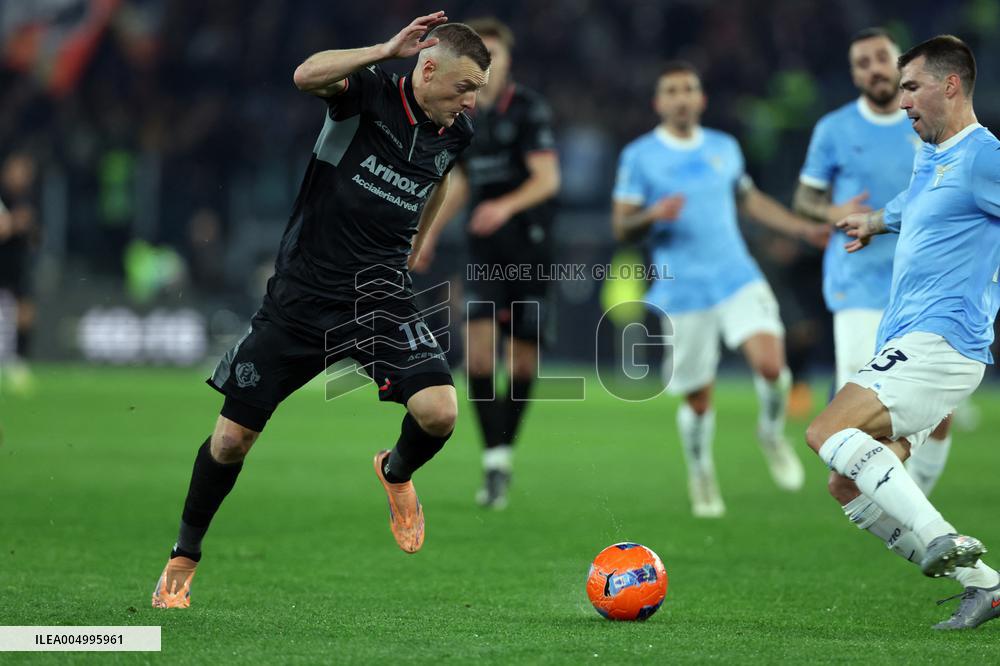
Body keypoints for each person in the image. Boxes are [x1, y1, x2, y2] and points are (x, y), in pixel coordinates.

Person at [152, 12, 491, 609]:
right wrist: (384, 49)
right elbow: (305, 74)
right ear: (428, 67)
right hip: (301, 296)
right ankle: (184, 554)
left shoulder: (455, 133)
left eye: (478, 92)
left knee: (440, 413)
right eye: (465, 87)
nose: (470, 102)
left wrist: (421, 239)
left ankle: (395, 471)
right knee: (230, 443)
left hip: (378, 293)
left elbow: (438, 180)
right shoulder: (367, 93)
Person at [807, 35, 1000, 630]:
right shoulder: (932, 154)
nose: (902, 99)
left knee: (824, 429)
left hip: (942, 340)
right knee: (847, 485)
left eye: (912, 86)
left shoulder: (983, 155)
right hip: (910, 337)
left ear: (951, 84)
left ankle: (942, 535)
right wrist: (874, 221)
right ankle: (986, 587)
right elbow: (915, 203)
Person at [612, 62, 829, 518]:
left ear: (701, 99)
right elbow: (621, 225)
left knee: (772, 364)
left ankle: (771, 433)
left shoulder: (724, 147)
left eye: (689, 89)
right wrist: (651, 216)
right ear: (659, 102)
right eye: (671, 90)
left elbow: (749, 199)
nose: (681, 97)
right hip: (683, 291)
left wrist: (800, 229)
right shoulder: (639, 156)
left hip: (737, 276)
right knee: (699, 397)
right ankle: (701, 472)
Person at [796, 28, 954, 499]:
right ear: (854, 74)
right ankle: (886, 503)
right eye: (862, 63)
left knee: (937, 411)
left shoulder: (930, 123)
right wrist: (832, 212)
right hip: (857, 282)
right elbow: (805, 196)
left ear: (899, 62)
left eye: (881, 58)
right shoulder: (834, 129)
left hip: (923, 286)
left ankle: (913, 498)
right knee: (863, 410)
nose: (874, 69)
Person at [413, 17, 560, 509]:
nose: (488, 68)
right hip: (484, 254)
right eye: (482, 59)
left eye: (496, 58)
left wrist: (506, 206)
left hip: (529, 252)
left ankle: (503, 453)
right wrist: (428, 233)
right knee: (477, 357)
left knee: (521, 362)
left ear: (508, 62)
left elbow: (547, 178)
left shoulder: (529, 108)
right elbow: (462, 182)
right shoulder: (467, 113)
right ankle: (494, 459)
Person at [0, 151, 40, 394]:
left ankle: (19, 362)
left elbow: (34, 232)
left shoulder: (28, 198)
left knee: (25, 312)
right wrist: (14, 223)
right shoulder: (3, 196)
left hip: (18, 264)